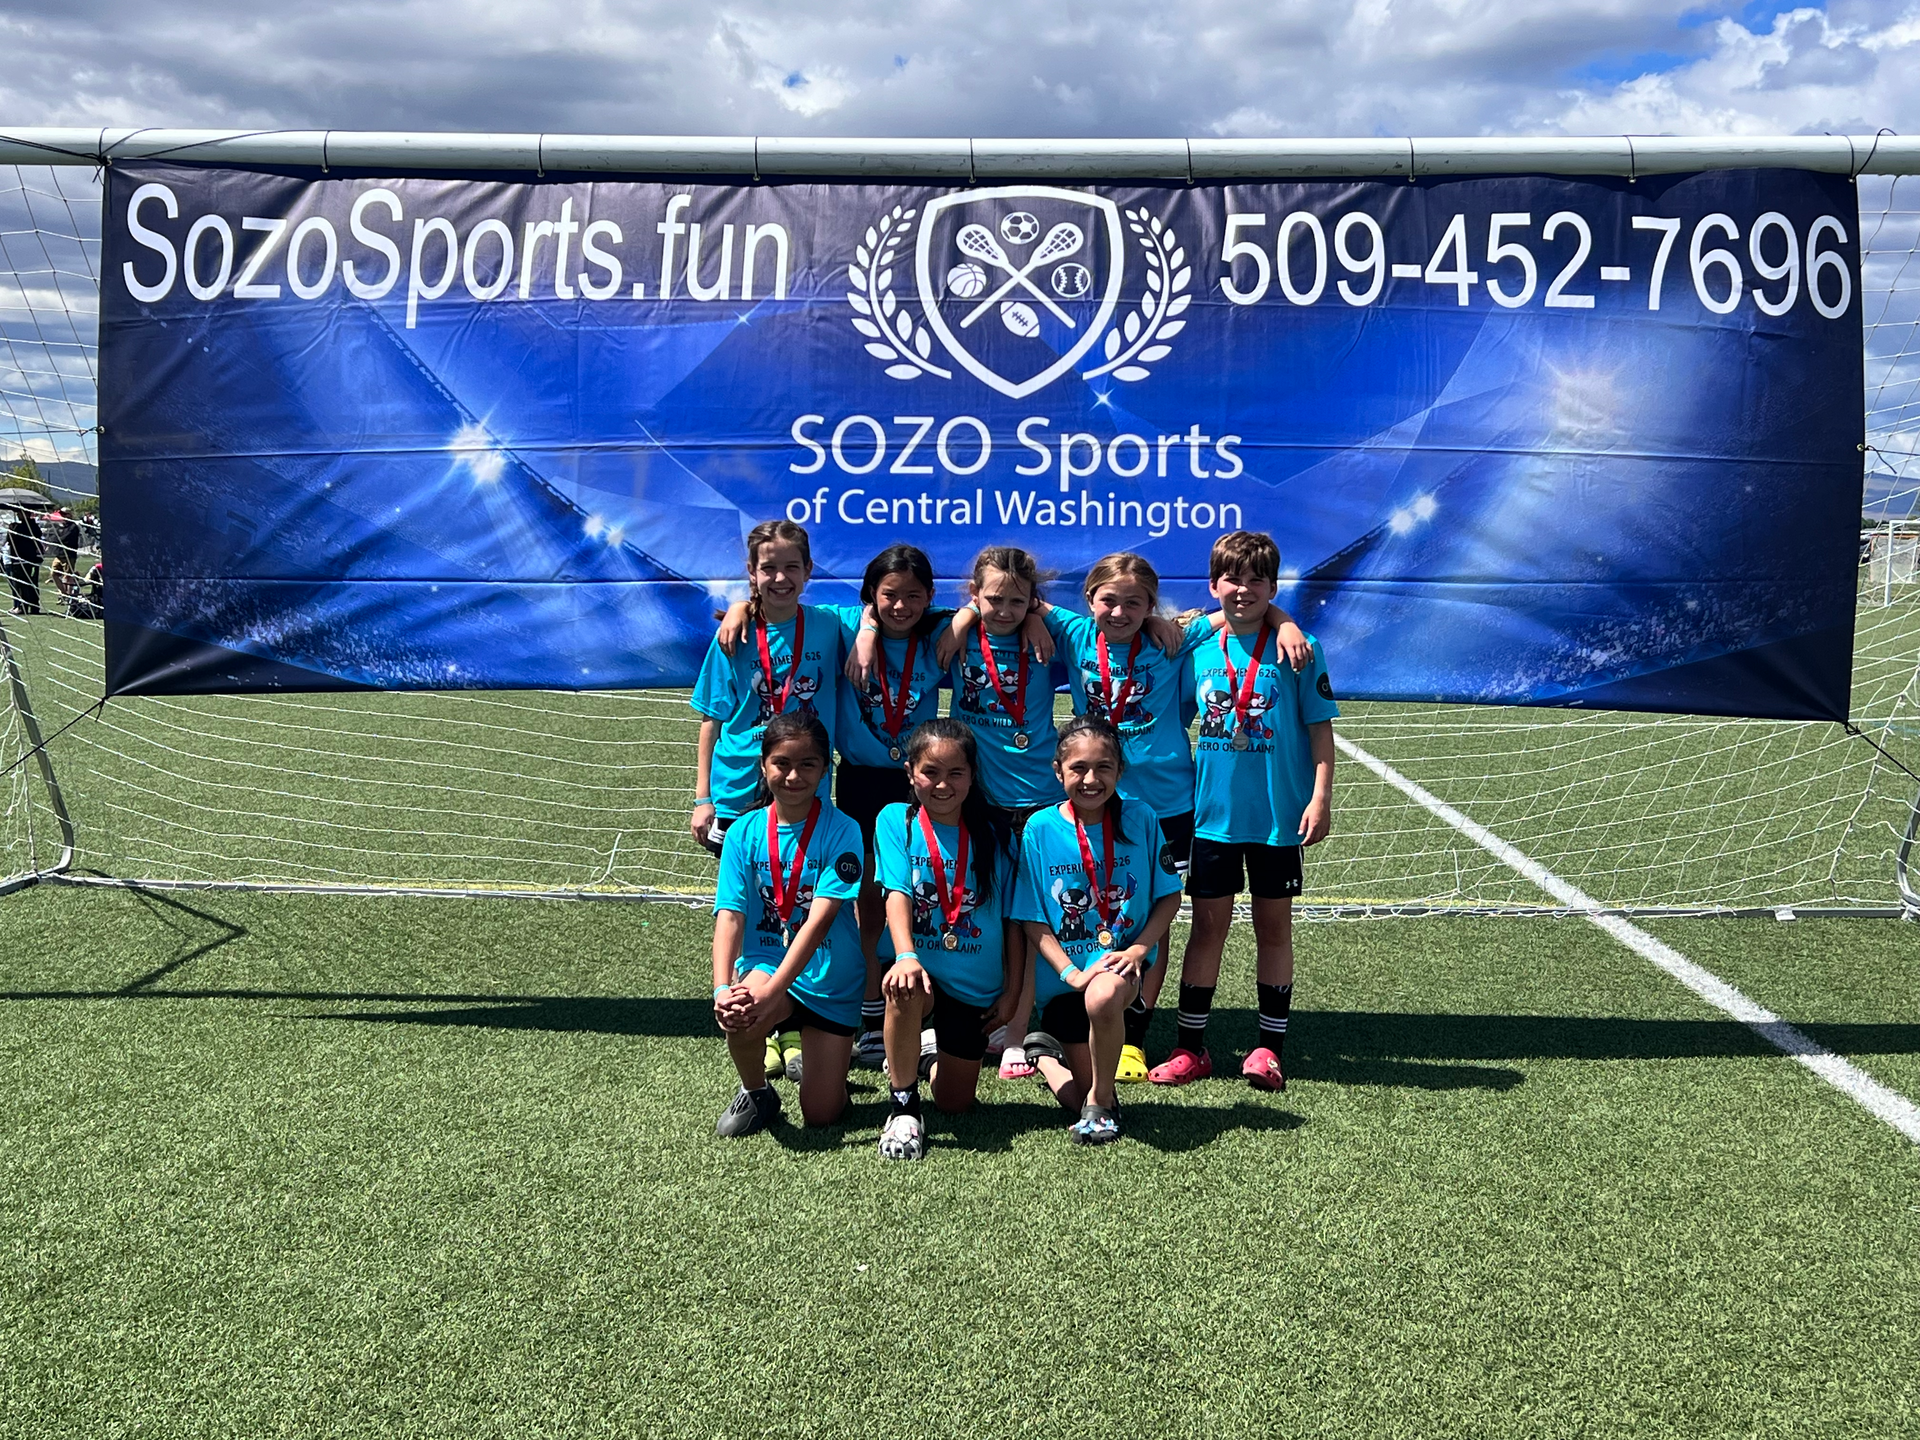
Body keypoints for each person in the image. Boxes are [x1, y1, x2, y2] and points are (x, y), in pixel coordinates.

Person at [947, 551, 1311, 1084]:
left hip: (1165, 806)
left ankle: (1133, 1037)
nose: (1120, 612)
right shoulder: (1069, 630)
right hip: (1091, 798)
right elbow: (1013, 601)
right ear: (1089, 599)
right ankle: (1041, 1016)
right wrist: (1023, 618)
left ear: (1152, 606)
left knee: (1148, 922)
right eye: (1109, 601)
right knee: (1079, 902)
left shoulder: (1174, 638)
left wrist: (1289, 620)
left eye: (1135, 603)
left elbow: (1243, 611)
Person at [1150, 531, 1338, 1092]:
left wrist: (1321, 796)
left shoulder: (1299, 649)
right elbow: (1169, 705)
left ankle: (1267, 1049)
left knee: (1272, 928)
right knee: (1206, 929)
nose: (1245, 589)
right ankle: (1191, 1048)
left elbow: (1319, 731)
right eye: (1233, 578)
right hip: (1209, 816)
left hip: (1278, 815)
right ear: (1214, 585)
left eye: (1259, 580)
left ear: (1274, 587)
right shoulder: (1195, 648)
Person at [691, 518, 846, 1084]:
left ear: (808, 572)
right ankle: (761, 1021)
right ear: (752, 574)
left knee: (803, 903)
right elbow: (711, 719)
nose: (779, 577)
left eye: (791, 566)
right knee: (754, 908)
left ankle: (789, 1014)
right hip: (739, 787)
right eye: (767, 568)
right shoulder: (730, 634)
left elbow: (890, 615)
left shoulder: (829, 625)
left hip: (804, 783)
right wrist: (704, 797)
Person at [1013, 717, 1183, 1144]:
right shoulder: (1039, 828)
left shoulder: (1142, 817)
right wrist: (1071, 972)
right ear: (1058, 772)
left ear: (1120, 771)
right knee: (1075, 1094)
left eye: (1104, 767)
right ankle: (1048, 1058)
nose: (1091, 779)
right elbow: (1032, 915)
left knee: (1104, 995)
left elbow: (1169, 897)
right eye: (1078, 768)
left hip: (1118, 970)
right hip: (1066, 978)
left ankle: (1100, 1104)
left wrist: (1139, 950)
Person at [935, 545, 1064, 1080]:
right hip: (977, 799)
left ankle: (1017, 1025)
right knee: (976, 908)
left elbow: (1119, 618)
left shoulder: (1049, 639)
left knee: (1028, 918)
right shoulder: (957, 632)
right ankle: (958, 1014)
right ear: (974, 595)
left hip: (1036, 800)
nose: (1005, 610)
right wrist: (965, 617)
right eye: (993, 599)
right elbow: (879, 611)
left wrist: (1039, 615)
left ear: (1033, 599)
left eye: (1018, 600)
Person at [710, 712, 867, 1138]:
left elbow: (819, 923)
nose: (793, 775)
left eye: (807, 765)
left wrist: (775, 990)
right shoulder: (743, 832)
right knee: (741, 1010)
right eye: (781, 763)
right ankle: (757, 1091)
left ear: (824, 770)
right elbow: (730, 915)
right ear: (764, 766)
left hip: (831, 974)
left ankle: (831, 1080)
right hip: (766, 961)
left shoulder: (844, 830)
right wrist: (723, 989)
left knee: (821, 1114)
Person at [872, 718, 1021, 1160]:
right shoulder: (894, 820)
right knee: (906, 986)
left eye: (955, 773)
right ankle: (902, 1107)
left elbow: (1014, 920)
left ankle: (926, 1053)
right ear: (910, 773)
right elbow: (896, 892)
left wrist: (1012, 994)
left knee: (955, 1104)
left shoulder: (998, 834)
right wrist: (904, 955)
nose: (942, 784)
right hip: (916, 966)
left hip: (975, 985)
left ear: (973, 775)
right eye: (930, 772)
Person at [4, 506, 43, 616]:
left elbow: (11, 540)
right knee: (31, 582)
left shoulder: (25, 527)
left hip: (22, 558)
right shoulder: (33, 526)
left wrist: (12, 528)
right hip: (28, 558)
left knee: (22, 583)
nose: (18, 515)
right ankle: (34, 606)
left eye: (20, 513)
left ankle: (23, 606)